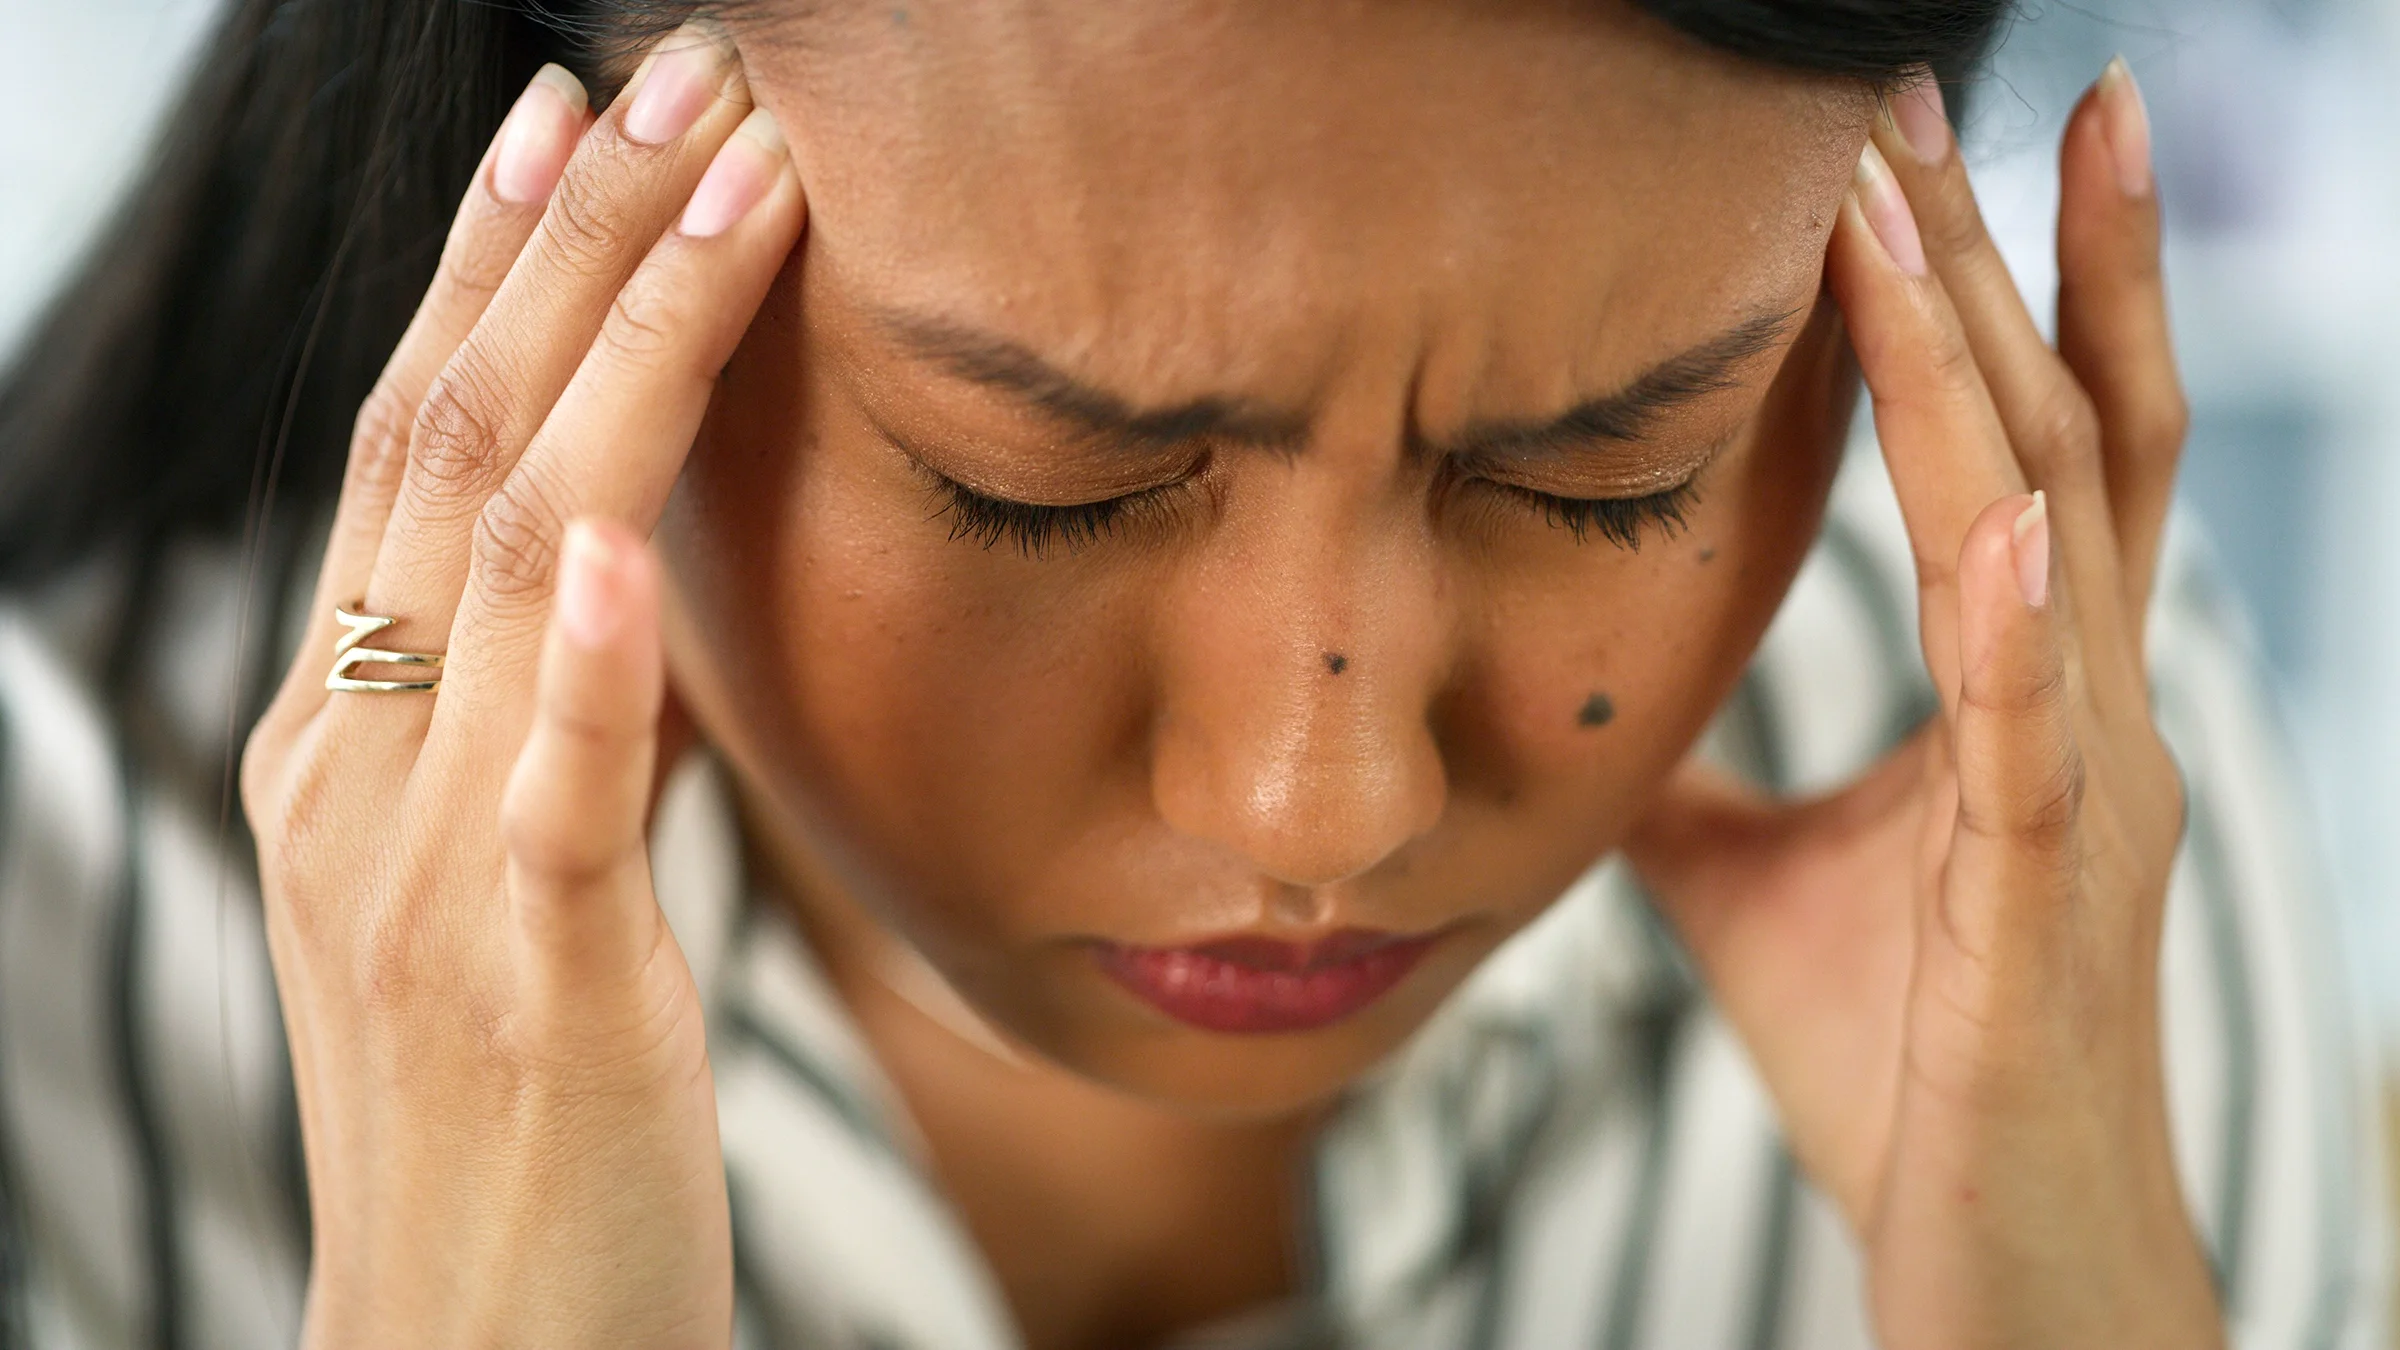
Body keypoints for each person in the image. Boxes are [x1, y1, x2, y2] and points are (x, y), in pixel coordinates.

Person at [0, 1, 2382, 1347]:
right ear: (556, 192)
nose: (1313, 804)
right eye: (1035, 481)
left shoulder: (2065, 828)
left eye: (1603, 477)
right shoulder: (52, 985)